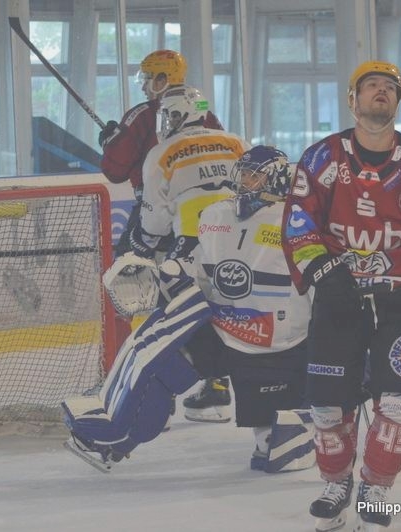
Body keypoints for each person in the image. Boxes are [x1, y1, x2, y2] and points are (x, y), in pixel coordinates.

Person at [281, 60, 401, 531]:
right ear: (352, 100)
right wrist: (321, 266)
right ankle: (335, 483)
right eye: (370, 86)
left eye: (390, 87)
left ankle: (375, 487)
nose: (381, 92)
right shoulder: (322, 158)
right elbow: (299, 221)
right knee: (329, 406)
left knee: (398, 404)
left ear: (399, 100)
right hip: (339, 298)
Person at [62, 146, 316, 475]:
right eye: (244, 172)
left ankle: (304, 418)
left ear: (278, 181)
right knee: (156, 356)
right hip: (223, 332)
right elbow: (192, 267)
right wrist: (162, 276)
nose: (245, 181)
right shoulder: (216, 215)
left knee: (278, 449)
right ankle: (116, 437)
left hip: (278, 347)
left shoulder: (297, 223)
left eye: (256, 175)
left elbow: (321, 283)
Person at [99, 50, 228, 415]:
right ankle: (216, 381)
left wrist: (112, 141)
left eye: (148, 77)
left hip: (163, 214)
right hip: (213, 221)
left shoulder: (145, 113)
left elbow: (115, 168)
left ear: (161, 79)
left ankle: (144, 388)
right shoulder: (205, 109)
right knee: (206, 293)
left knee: (134, 285)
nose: (144, 85)